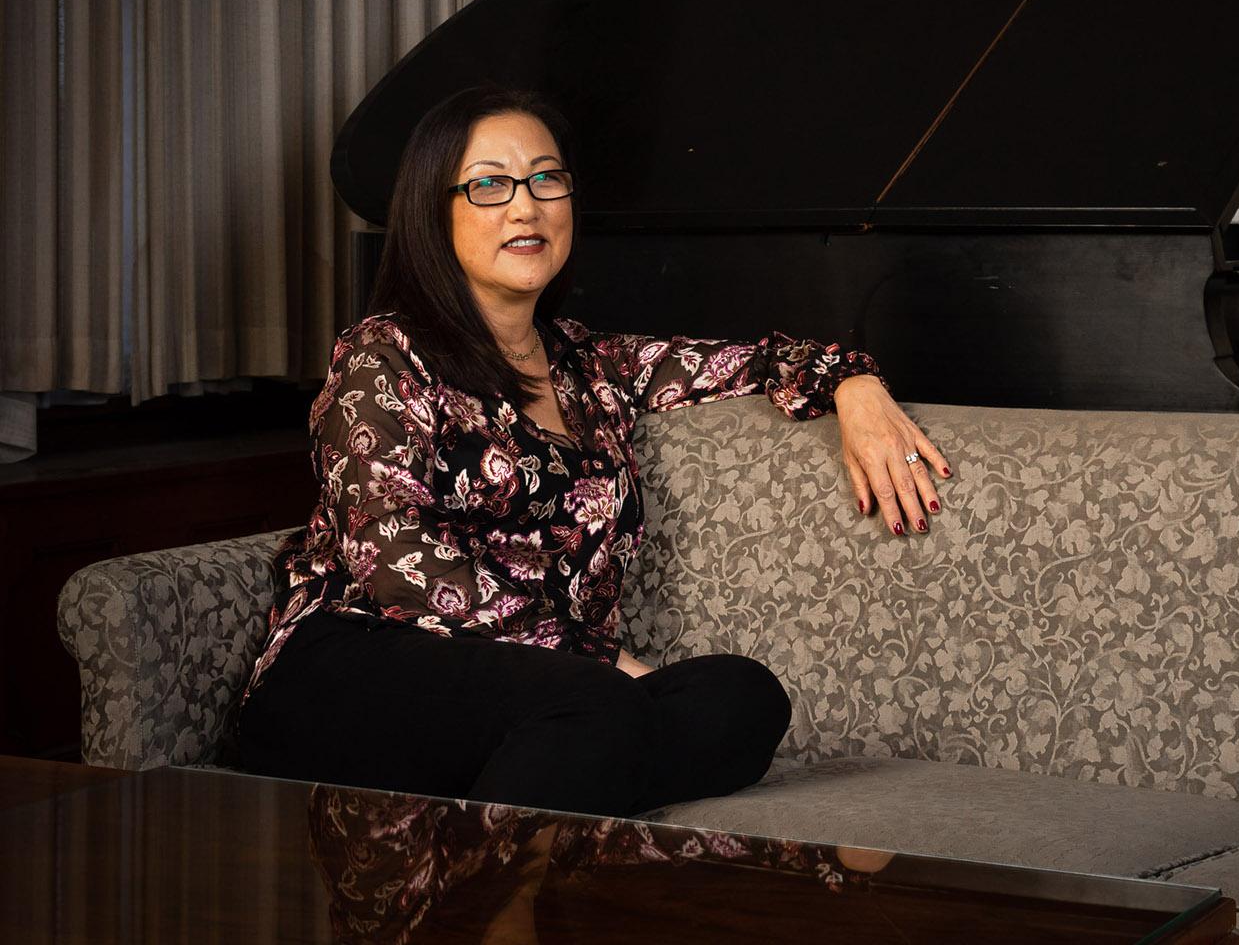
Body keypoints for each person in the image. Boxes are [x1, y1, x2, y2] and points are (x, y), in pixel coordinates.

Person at [235, 87, 953, 818]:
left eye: (546, 179)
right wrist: (598, 662)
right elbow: (395, 557)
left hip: (544, 691)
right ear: (434, 209)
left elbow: (761, 361)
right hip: (358, 661)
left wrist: (854, 385)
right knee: (600, 710)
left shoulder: (590, 363)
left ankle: (523, 800)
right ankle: (499, 905)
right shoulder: (385, 355)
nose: (527, 206)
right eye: (489, 185)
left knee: (741, 696)